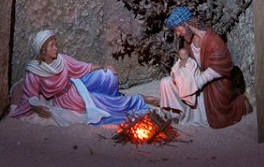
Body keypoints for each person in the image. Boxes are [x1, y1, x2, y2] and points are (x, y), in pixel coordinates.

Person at [11, 29, 157, 126]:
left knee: (107, 77)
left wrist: (103, 66)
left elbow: (82, 67)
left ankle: (131, 98)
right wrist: (36, 106)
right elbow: (31, 96)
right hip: (66, 100)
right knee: (107, 105)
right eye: (52, 46)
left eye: (56, 44)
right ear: (43, 50)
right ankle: (140, 100)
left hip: (77, 87)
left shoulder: (62, 60)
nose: (56, 48)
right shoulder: (34, 71)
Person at [159, 7, 252, 128]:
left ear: (186, 24)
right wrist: (179, 73)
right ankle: (176, 115)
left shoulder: (214, 41)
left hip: (214, 85)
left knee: (215, 118)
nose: (177, 34)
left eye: (178, 29)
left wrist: (197, 82)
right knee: (166, 82)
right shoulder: (188, 42)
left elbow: (221, 67)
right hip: (196, 79)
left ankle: (241, 104)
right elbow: (188, 64)